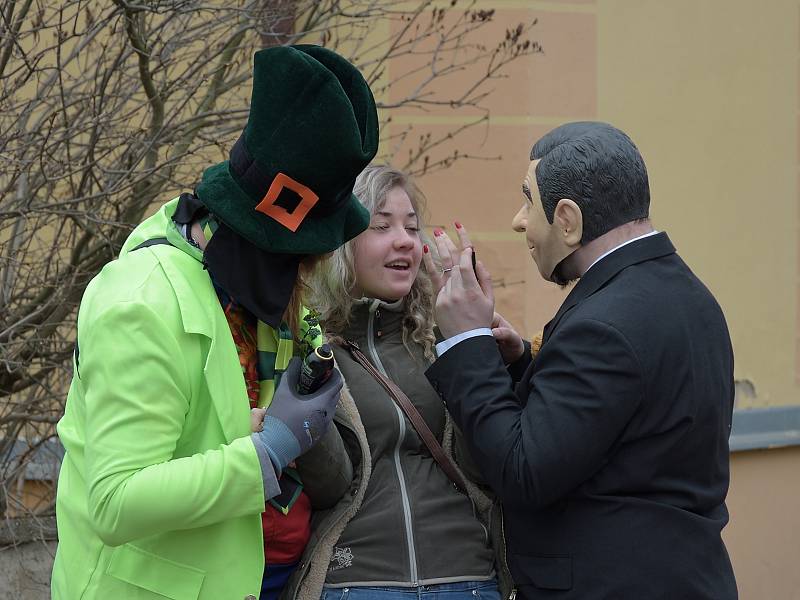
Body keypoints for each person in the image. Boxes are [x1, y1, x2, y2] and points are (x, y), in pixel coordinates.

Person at [51, 45, 378, 600]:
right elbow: (113, 501)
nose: (310, 270)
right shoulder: (142, 300)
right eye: (305, 253)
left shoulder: (251, 291)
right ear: (271, 243)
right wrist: (269, 449)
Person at [423, 122, 737, 599]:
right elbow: (618, 428)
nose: (519, 220)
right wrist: (515, 368)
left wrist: (467, 342)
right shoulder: (687, 295)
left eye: (529, 200)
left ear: (567, 220)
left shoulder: (604, 323)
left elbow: (524, 472)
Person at [279, 165, 512, 600]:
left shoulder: (441, 338)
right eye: (381, 226)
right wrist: (307, 396)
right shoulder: (306, 344)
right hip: (357, 581)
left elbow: (489, 467)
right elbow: (331, 486)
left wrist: (470, 342)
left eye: (411, 227)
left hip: (465, 579)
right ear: (341, 243)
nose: (403, 239)